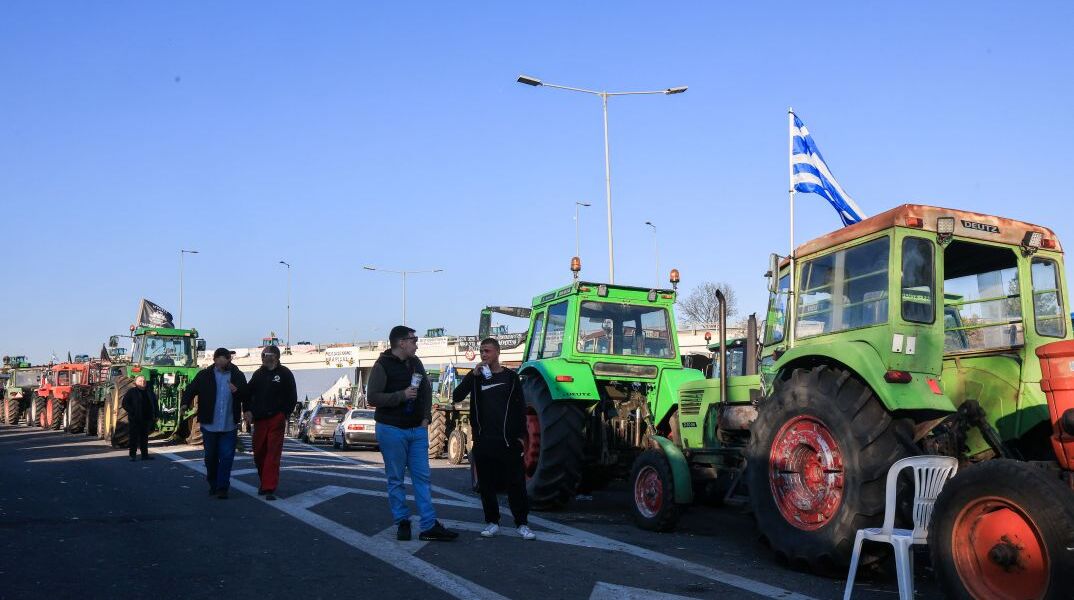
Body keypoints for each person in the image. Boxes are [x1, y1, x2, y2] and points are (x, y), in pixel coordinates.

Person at [368, 325, 457, 542]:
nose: (416, 344)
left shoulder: (416, 363)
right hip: (391, 429)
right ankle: (402, 522)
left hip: (417, 429)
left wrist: (426, 418)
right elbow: (373, 397)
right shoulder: (382, 365)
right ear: (401, 342)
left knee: (423, 478)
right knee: (396, 478)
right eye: (413, 340)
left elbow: (426, 390)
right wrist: (401, 395)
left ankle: (428, 525)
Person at [452, 338, 535, 540]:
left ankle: (522, 524)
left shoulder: (510, 377)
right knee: (486, 485)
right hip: (484, 441)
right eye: (481, 351)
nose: (484, 355)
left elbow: (519, 407)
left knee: (516, 485)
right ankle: (492, 522)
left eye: (487, 351)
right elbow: (456, 396)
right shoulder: (477, 377)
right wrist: (472, 376)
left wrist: (521, 437)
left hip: (507, 441)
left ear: (497, 353)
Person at [181, 347, 249, 499]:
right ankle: (213, 483)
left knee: (226, 457)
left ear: (228, 360)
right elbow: (191, 389)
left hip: (229, 424)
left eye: (222, 360)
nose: (219, 363)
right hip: (209, 424)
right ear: (214, 360)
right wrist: (185, 404)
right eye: (216, 360)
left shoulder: (237, 375)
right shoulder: (204, 375)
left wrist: (237, 393)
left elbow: (246, 396)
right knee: (210, 457)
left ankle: (222, 487)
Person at [245, 345, 297, 501]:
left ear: (275, 357)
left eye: (267, 355)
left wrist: (285, 413)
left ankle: (269, 487)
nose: (264, 358)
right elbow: (248, 394)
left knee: (272, 453)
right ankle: (264, 481)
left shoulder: (285, 374)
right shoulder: (258, 374)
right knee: (259, 452)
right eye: (262, 356)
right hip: (260, 419)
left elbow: (292, 396)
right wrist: (247, 410)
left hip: (276, 418)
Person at [122, 375, 158, 462]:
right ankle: (132, 455)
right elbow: (125, 403)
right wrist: (132, 412)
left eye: (144, 381)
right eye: (140, 381)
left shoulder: (150, 392)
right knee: (134, 437)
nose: (142, 383)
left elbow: (155, 404)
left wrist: (157, 415)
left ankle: (144, 455)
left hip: (147, 418)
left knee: (144, 438)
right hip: (135, 419)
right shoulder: (131, 392)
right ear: (136, 383)